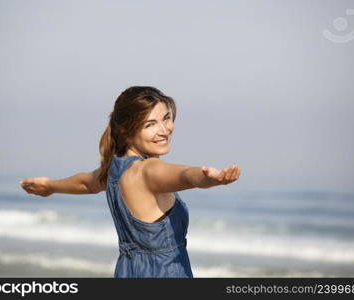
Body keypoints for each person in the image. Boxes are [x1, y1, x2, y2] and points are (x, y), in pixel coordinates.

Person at [19, 86, 241, 278]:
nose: (164, 130)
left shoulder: (113, 170)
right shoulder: (148, 170)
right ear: (126, 132)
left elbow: (86, 183)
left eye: (166, 118)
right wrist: (210, 179)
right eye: (150, 124)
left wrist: (50, 186)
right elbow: (185, 176)